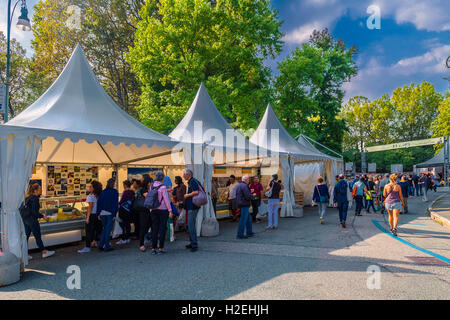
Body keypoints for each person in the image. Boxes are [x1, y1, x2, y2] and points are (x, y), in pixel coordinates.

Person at [22, 183, 55, 259]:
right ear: (35, 190)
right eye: (40, 189)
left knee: (26, 237)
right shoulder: (35, 199)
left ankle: (24, 255)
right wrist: (43, 216)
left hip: (26, 219)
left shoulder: (28, 197)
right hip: (32, 220)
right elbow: (34, 212)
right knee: (37, 236)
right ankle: (44, 252)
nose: (41, 190)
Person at [149, 171, 173, 255]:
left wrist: (151, 209)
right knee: (162, 228)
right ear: (162, 178)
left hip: (153, 210)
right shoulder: (163, 187)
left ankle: (153, 248)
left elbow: (150, 198)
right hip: (163, 210)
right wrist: (170, 210)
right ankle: (160, 248)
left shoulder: (151, 186)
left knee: (154, 229)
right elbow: (166, 200)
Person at [78, 181, 103, 253]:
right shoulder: (100, 195)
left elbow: (90, 206)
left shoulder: (90, 196)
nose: (89, 188)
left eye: (91, 186)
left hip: (92, 215)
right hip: (98, 214)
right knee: (97, 229)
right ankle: (95, 241)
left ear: (94, 188)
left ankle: (87, 246)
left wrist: (87, 217)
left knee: (88, 231)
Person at [96, 178, 119, 251]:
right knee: (108, 230)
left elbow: (99, 203)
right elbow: (115, 204)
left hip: (102, 213)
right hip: (110, 213)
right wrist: (115, 213)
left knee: (104, 229)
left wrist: (98, 213)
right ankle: (107, 246)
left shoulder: (103, 192)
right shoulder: (115, 192)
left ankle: (100, 244)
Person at [183, 169, 200, 252]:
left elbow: (196, 192)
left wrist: (187, 195)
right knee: (190, 225)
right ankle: (192, 242)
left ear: (188, 175)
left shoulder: (192, 181)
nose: (183, 176)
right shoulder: (192, 181)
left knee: (191, 226)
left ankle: (194, 244)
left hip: (193, 207)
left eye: (184, 174)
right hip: (192, 206)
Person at [116, 180, 135, 245]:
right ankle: (127, 238)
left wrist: (118, 204)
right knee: (128, 224)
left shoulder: (125, 192)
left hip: (123, 210)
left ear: (125, 185)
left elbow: (122, 201)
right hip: (129, 209)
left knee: (123, 224)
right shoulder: (132, 192)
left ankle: (123, 238)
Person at [137, 175, 153, 252]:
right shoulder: (143, 189)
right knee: (143, 227)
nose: (151, 183)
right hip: (143, 210)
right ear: (147, 183)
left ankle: (148, 240)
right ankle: (141, 244)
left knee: (150, 225)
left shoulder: (149, 189)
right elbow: (148, 196)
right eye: (150, 182)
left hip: (149, 210)